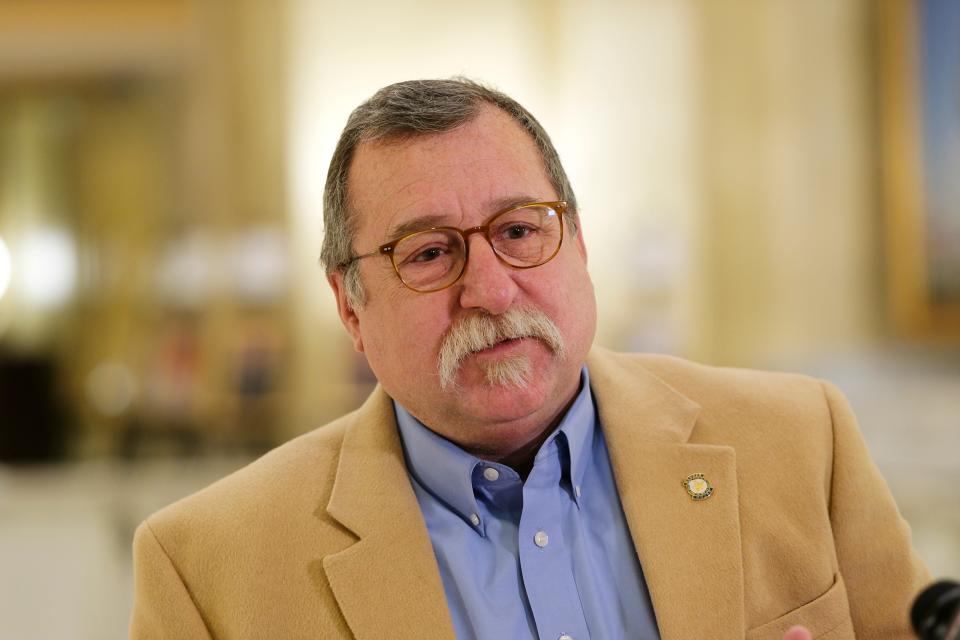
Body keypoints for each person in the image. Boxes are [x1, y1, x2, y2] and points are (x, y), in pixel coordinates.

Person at [130, 78, 930, 640]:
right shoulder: (208, 571)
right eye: (430, 252)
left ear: (577, 244)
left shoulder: (799, 440)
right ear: (351, 309)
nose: (491, 290)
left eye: (518, 230)